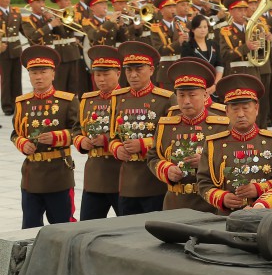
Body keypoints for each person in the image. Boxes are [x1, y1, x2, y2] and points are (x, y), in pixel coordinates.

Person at [196, 73, 272, 214]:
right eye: (235, 108)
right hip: (226, 216)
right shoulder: (213, 144)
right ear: (226, 111)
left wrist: (259, 189)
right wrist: (222, 198)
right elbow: (203, 183)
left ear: (256, 109)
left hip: (266, 214)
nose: (240, 114)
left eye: (246, 107)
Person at [147, 58, 229, 212]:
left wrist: (207, 163)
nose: (186, 101)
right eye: (181, 95)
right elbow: (153, 157)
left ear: (205, 96)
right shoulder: (167, 124)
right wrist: (167, 170)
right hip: (175, 204)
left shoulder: (222, 125)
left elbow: (233, 165)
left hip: (209, 205)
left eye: (192, 95)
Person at [9, 46, 79, 227]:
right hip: (31, 176)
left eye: (43, 72)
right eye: (33, 73)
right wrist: (22, 143)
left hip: (58, 175)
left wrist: (58, 137)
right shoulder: (22, 102)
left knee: (62, 227)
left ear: (53, 74)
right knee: (29, 228)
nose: (38, 77)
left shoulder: (67, 101)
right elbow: (15, 133)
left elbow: (79, 132)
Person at [108, 41, 173, 215]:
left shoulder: (165, 99)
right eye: (129, 70)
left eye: (139, 69)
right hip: (127, 180)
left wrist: (143, 144)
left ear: (151, 70)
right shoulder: (118, 97)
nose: (133, 75)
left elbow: (171, 139)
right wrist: (117, 149)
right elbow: (112, 136)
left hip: (153, 179)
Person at [75, 46, 124, 220]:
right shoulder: (88, 99)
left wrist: (106, 140)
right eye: (97, 75)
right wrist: (81, 141)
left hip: (120, 172)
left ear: (118, 73)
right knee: (87, 226)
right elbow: (77, 128)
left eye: (106, 74)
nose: (101, 79)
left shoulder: (126, 99)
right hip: (95, 175)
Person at [47, 0, 87, 93]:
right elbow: (60, 33)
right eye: (65, 0)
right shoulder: (51, 16)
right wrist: (54, 19)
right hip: (60, 54)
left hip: (73, 53)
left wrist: (70, 19)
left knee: (74, 84)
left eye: (69, 0)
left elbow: (80, 29)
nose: (69, 2)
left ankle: (73, 107)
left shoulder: (72, 14)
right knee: (60, 84)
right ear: (58, 2)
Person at [149, 0, 187, 92]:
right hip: (165, 70)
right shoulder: (156, 28)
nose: (173, 10)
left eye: (174, 7)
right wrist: (177, 43)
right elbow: (159, 50)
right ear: (161, 11)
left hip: (181, 68)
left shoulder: (181, 25)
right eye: (169, 7)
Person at [181, 15, 223, 98]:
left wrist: (215, 84)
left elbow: (219, 65)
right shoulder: (188, 46)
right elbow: (187, 68)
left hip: (213, 88)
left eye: (205, 27)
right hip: (195, 87)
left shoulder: (213, 44)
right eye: (199, 27)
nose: (203, 30)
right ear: (193, 30)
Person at [0, 0, 24, 116]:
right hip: (3, 51)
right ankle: (7, 106)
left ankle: (18, 104)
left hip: (15, 49)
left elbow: (23, 30)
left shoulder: (15, 12)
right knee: (6, 79)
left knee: (17, 78)